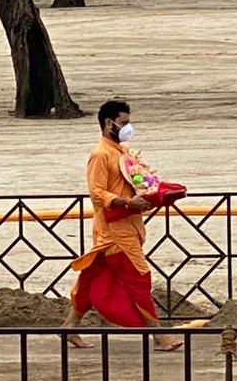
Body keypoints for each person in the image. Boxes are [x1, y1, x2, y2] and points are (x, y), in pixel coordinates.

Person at [63, 100, 183, 351]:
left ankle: (68, 328)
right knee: (140, 279)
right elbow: (96, 192)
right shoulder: (100, 154)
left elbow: (136, 182)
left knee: (91, 279)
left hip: (127, 227)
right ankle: (158, 337)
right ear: (109, 123)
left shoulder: (122, 152)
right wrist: (127, 202)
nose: (128, 128)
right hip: (115, 234)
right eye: (124, 123)